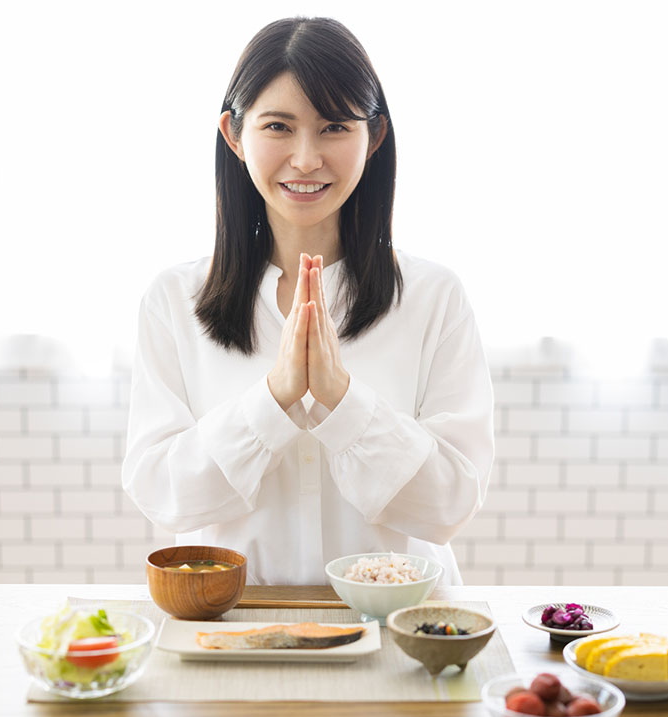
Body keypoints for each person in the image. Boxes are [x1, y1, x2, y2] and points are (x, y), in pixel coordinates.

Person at [122, 17, 494, 585]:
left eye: (334, 127)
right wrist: (272, 402)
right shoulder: (174, 300)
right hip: (235, 627)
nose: (304, 159)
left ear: (374, 137)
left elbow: (451, 504)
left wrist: (343, 403)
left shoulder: (432, 296)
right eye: (278, 126)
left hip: (402, 633)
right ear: (233, 135)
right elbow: (165, 494)